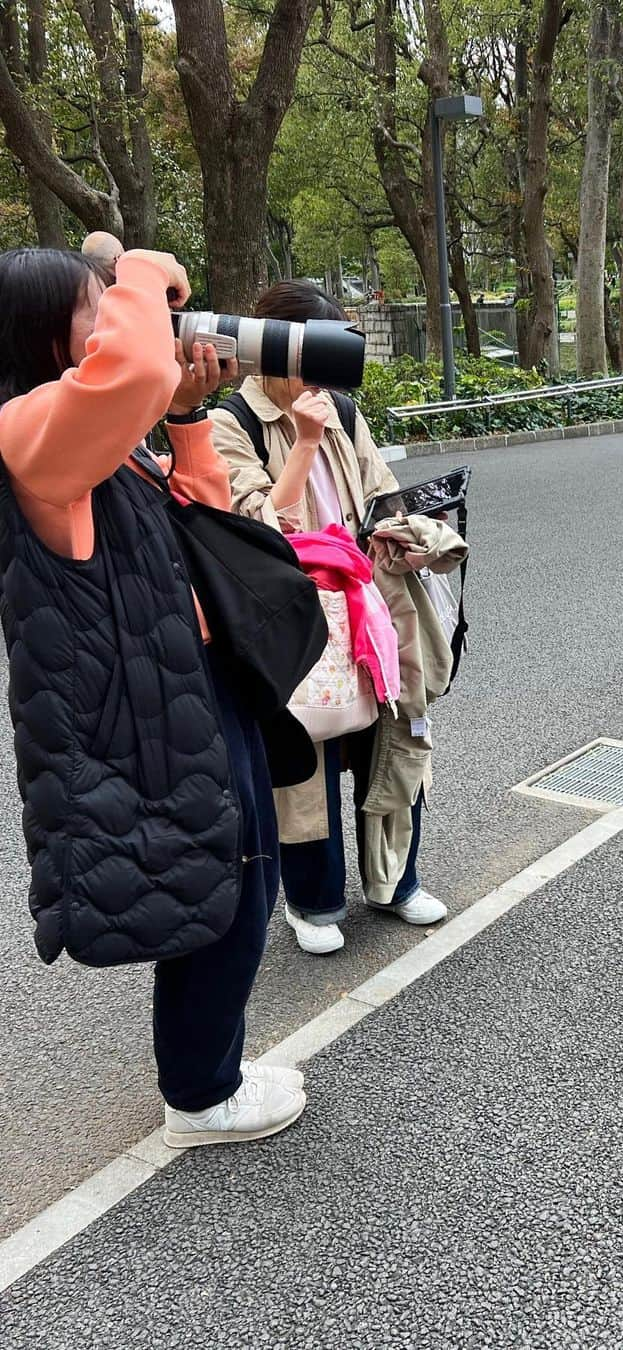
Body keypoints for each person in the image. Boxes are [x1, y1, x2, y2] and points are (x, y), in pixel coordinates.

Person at [0, 245, 306, 1147]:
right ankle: (201, 1095)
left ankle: (218, 1067)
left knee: (247, 878)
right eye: (97, 309)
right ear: (43, 329)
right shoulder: (23, 429)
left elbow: (199, 525)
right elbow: (130, 361)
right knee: (215, 897)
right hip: (144, 716)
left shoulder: (97, 437)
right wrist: (133, 266)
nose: (129, 323)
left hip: (194, 688)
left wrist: (184, 420)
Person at [211, 281, 466, 955]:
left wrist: (405, 532)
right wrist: (302, 441)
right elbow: (259, 525)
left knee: (396, 738)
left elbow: (380, 496)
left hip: (368, 606)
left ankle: (394, 884)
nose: (321, 370)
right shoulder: (228, 423)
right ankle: (313, 901)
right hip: (291, 619)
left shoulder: (346, 413)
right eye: (312, 351)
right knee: (308, 760)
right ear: (276, 347)